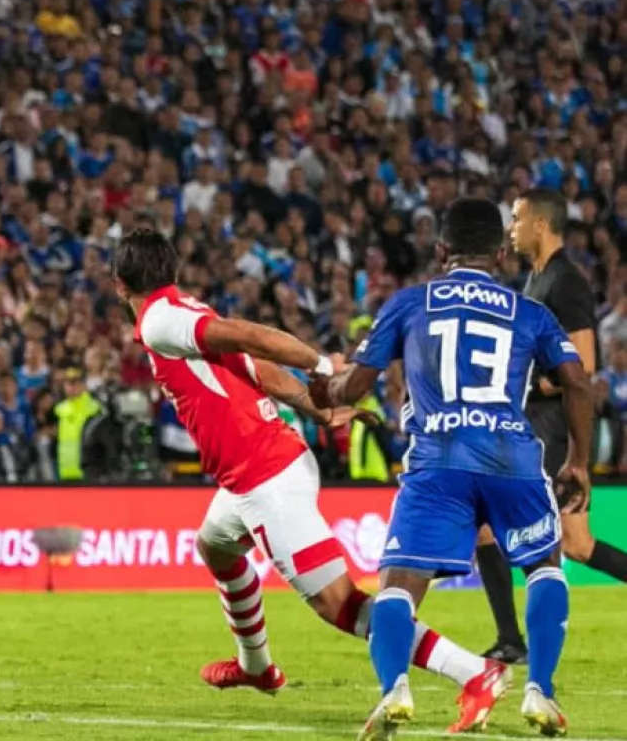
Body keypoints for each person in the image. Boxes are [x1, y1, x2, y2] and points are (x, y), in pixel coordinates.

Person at [112, 227, 505, 734]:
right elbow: (256, 369)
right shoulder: (183, 311)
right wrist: (316, 409)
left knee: (340, 604)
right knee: (215, 546)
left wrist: (321, 366)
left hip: (266, 477)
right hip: (254, 473)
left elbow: (252, 337)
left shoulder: (161, 320)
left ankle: (474, 672)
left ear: (120, 285)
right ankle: (257, 667)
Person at [315, 198, 593, 739]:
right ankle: (540, 690)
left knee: (399, 583)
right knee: (543, 565)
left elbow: (354, 387)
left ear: (441, 251)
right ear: (499, 254)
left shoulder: (409, 303)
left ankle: (395, 689)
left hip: (438, 459)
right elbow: (578, 382)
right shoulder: (529, 312)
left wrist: (325, 388)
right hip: (512, 458)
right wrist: (578, 462)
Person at [473, 188, 627, 665]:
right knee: (578, 544)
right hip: (544, 423)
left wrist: (532, 384)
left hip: (555, 426)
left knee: (487, 526)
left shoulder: (566, 282)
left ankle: (512, 640)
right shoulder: (537, 279)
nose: (511, 228)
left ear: (540, 224)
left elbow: (584, 365)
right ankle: (514, 640)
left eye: (517, 219)